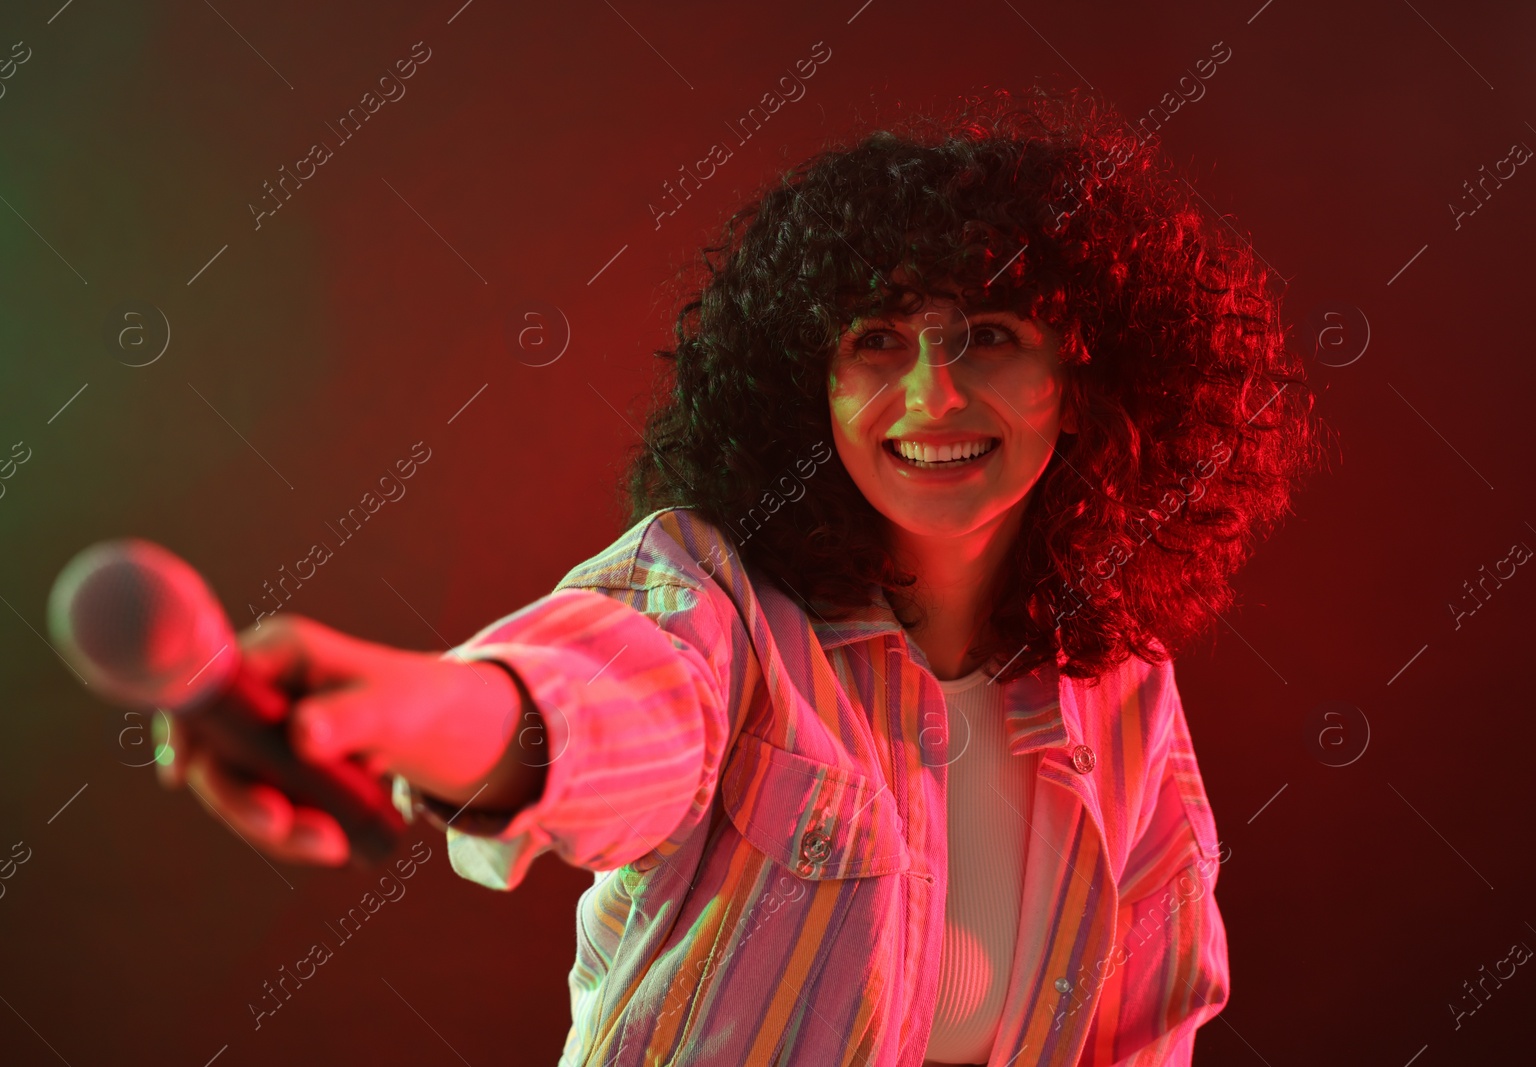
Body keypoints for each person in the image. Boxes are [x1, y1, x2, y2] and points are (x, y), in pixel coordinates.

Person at [155, 86, 1323, 1065]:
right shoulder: (712, 598)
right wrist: (405, 708)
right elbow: (602, 703)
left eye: (992, 334)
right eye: (876, 341)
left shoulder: (1122, 679)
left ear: (1083, 379)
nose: (930, 397)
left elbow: (1148, 1019)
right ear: (804, 383)